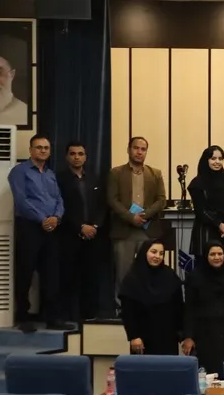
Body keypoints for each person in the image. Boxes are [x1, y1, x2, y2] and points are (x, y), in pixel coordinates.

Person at [9, 134, 65, 331]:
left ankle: (51, 317)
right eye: (39, 147)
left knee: (51, 274)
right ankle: (23, 317)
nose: (43, 150)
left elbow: (59, 199)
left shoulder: (50, 174)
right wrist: (42, 219)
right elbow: (21, 201)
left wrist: (56, 217)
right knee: (25, 272)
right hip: (29, 227)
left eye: (46, 148)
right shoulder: (19, 171)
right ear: (31, 150)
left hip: (51, 228)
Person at [108, 136, 167, 295]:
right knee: (123, 272)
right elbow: (112, 200)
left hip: (148, 230)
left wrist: (145, 215)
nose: (139, 152)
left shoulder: (155, 173)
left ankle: (148, 300)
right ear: (128, 150)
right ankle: (121, 304)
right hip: (124, 230)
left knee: (149, 270)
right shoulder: (116, 173)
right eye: (136, 148)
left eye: (143, 149)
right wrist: (130, 217)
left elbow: (161, 200)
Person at [56, 140, 104, 324]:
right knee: (69, 277)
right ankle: (69, 316)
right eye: (73, 154)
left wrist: (95, 226)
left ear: (86, 157)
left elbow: (102, 206)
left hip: (93, 236)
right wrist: (80, 226)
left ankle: (90, 315)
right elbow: (60, 207)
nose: (77, 157)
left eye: (80, 154)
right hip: (69, 235)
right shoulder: (59, 179)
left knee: (91, 277)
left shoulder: (94, 178)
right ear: (66, 157)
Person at [119, 239, 186, 356]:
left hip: (168, 338)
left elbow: (178, 306)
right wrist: (134, 336)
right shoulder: (133, 278)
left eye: (161, 253)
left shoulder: (169, 275)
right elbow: (128, 312)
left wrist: (181, 333)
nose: (157, 256)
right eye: (153, 252)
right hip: (142, 340)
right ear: (144, 253)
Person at [185, 242, 224, 375]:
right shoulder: (195, 277)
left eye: (220, 254)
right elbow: (189, 308)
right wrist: (188, 336)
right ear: (206, 256)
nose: (217, 257)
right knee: (206, 374)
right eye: (212, 254)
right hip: (204, 335)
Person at [188, 146, 224, 259]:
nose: (217, 162)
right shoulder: (197, 183)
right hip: (205, 232)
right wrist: (219, 225)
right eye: (213, 158)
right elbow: (201, 210)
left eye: (220, 159)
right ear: (206, 160)